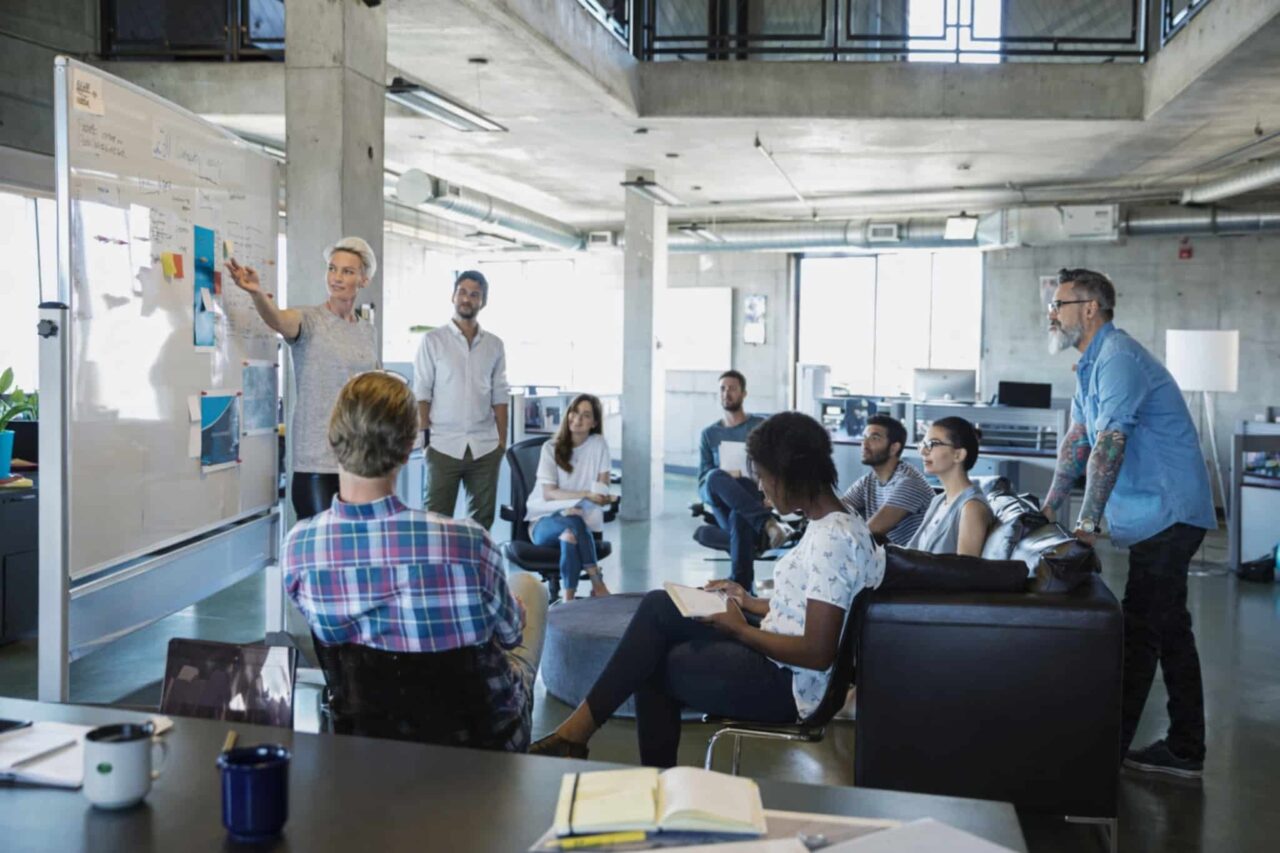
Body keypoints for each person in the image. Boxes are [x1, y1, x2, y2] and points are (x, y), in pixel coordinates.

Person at [529, 412, 884, 766]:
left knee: (651, 661)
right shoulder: (836, 524)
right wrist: (747, 601)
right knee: (659, 605)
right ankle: (580, 736)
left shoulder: (833, 539)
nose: (760, 488)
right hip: (784, 662)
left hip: (791, 684)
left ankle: (616, 758)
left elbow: (816, 652)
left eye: (763, 477)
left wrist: (740, 629)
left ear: (789, 474)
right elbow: (812, 607)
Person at [282, 371, 548, 752]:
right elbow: (510, 637)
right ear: (410, 448)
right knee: (531, 587)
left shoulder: (300, 549)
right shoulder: (469, 541)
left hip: (368, 739)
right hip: (483, 743)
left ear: (332, 440)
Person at [1042, 267, 1216, 779]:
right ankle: (1186, 746)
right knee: (1170, 629)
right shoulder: (1089, 365)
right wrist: (1051, 506)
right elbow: (1078, 439)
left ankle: (1105, 755)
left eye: (1059, 305)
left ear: (1090, 308)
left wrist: (1087, 522)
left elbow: (1108, 444)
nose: (1051, 314)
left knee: (1139, 630)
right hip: (1154, 516)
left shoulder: (1119, 360)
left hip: (1169, 512)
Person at [225, 236, 379, 520]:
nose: (337, 277)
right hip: (317, 461)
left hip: (360, 460)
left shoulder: (366, 331)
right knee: (323, 550)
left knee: (353, 549)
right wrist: (257, 293)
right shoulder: (309, 320)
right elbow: (278, 320)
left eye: (347, 271)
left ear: (364, 279)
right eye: (332, 269)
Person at [413, 270, 510, 532]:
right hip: (443, 445)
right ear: (453, 296)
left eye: (475, 294)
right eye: (463, 292)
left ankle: (474, 572)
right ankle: (436, 573)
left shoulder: (494, 345)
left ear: (483, 301)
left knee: (481, 524)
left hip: (485, 447)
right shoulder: (433, 341)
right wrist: (426, 442)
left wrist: (501, 442)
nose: (467, 299)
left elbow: (500, 394)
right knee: (435, 521)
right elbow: (422, 392)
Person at [697, 370, 792, 590]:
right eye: (722, 388)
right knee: (714, 476)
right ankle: (768, 523)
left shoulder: (759, 427)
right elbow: (702, 481)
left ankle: (742, 587)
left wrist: (773, 494)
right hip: (720, 497)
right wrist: (726, 478)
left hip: (752, 492)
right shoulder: (709, 434)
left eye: (732, 388)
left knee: (739, 514)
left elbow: (777, 467)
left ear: (744, 393)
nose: (726, 393)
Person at [526, 393, 614, 601]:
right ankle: (597, 582)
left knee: (569, 536)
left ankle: (568, 600)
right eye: (574, 413)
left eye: (586, 415)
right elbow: (549, 493)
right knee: (572, 522)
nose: (578, 419)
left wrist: (602, 497)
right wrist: (583, 496)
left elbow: (602, 486)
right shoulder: (551, 448)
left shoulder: (598, 444)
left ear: (594, 422)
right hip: (543, 522)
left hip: (579, 525)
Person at [839, 414, 935, 546]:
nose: (864, 445)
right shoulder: (868, 480)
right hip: (885, 558)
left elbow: (871, 532)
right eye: (864, 438)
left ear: (894, 448)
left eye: (874, 438)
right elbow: (835, 512)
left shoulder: (909, 482)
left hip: (910, 563)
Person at [908, 416, 993, 556]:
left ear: (958, 455)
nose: (923, 451)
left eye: (932, 444)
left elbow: (964, 572)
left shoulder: (971, 508)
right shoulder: (939, 500)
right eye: (923, 444)